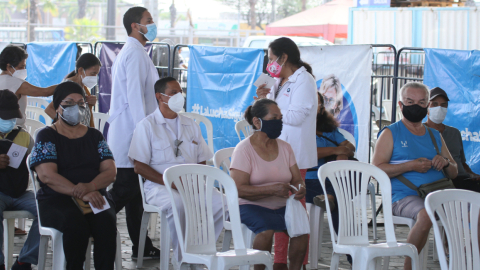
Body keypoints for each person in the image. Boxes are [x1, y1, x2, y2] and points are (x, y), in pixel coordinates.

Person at [128, 77, 224, 263]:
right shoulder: (147, 126)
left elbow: (201, 159)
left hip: (192, 183)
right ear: (160, 96)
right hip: (159, 185)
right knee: (178, 204)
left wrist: (198, 181)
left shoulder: (191, 124)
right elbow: (139, 166)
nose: (179, 96)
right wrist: (169, 182)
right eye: (173, 93)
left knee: (223, 204)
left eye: (180, 92)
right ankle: (181, 259)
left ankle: (200, 249)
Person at [30, 82, 117, 270]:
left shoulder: (95, 136)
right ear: (56, 107)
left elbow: (110, 171)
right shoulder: (46, 136)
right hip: (57, 199)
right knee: (76, 226)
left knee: (106, 223)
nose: (75, 108)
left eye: (80, 103)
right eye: (69, 103)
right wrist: (81, 192)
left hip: (94, 196)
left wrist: (91, 187)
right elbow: (47, 176)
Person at [372, 82, 458, 270]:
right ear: (401, 105)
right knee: (427, 214)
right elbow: (375, 170)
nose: (415, 107)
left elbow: (454, 170)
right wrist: (410, 166)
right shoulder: (390, 133)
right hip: (404, 197)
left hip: (437, 193)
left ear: (427, 105)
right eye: (410, 102)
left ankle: (464, 256)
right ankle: (408, 266)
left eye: (421, 103)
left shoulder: (434, 134)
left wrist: (444, 161)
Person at [255, 36, 316, 270]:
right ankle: (279, 261)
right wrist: (264, 99)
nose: (270, 64)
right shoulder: (279, 81)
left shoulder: (304, 80)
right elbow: (276, 112)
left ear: (284, 57)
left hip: (295, 154)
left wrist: (273, 112)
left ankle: (297, 263)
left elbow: (296, 116)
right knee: (280, 207)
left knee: (295, 212)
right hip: (277, 151)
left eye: (272, 59)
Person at [107, 6, 161, 259]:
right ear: (135, 26)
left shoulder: (135, 51)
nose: (152, 24)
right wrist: (145, 132)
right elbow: (136, 99)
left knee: (135, 195)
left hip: (129, 130)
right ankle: (89, 223)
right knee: (125, 191)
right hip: (132, 132)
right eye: (148, 21)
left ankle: (142, 246)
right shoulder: (135, 53)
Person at [230, 98, 308, 270]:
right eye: (274, 118)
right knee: (266, 229)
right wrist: (271, 189)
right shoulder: (244, 150)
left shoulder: (285, 147)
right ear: (257, 121)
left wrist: (300, 188)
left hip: (281, 205)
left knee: (302, 230)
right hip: (249, 205)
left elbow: (296, 179)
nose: (279, 122)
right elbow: (238, 189)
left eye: (280, 118)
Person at [0, 90, 39, 270]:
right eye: (5, 117)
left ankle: (25, 260)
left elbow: (38, 162)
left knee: (47, 210)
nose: (10, 121)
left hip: (22, 192)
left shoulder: (24, 136)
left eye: (13, 117)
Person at [305, 93, 355, 223]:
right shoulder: (296, 130)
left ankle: (330, 196)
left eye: (316, 103)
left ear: (321, 108)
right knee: (341, 195)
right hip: (310, 180)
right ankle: (344, 241)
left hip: (335, 177)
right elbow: (305, 154)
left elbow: (348, 145)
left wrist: (343, 154)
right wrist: (334, 150)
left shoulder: (328, 129)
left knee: (358, 175)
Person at [425, 87, 480, 186]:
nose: (439, 109)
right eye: (435, 104)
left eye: (443, 105)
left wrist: (472, 174)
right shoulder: (421, 131)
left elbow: (462, 162)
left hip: (462, 179)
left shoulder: (454, 133)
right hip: (440, 182)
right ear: (426, 106)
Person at [0, 45, 57, 127]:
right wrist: (67, 83)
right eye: (21, 67)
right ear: (8, 66)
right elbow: (46, 92)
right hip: (14, 130)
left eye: (24, 66)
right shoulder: (15, 83)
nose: (23, 69)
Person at [45, 53, 100, 127]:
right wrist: (68, 126)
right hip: (72, 135)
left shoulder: (82, 86)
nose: (95, 77)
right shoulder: (68, 86)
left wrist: (90, 103)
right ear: (80, 70)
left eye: (96, 74)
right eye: (93, 73)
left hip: (82, 133)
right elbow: (49, 110)